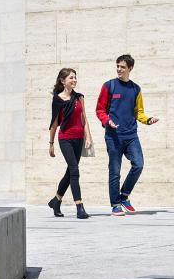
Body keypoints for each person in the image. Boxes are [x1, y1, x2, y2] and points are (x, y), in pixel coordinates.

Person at [95, 54, 159, 216]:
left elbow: (139, 112)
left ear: (130, 68)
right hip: (113, 136)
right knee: (115, 171)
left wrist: (148, 120)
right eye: (117, 66)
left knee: (138, 164)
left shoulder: (135, 89)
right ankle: (115, 204)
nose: (119, 69)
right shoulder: (108, 86)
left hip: (131, 136)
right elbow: (100, 110)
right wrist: (107, 121)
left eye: (123, 67)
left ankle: (124, 195)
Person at [47, 68, 93, 219]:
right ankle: (79, 206)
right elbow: (54, 123)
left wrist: (88, 137)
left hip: (79, 139)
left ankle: (56, 200)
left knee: (70, 172)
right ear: (63, 80)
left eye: (75, 77)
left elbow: (84, 119)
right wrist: (51, 143)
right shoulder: (57, 100)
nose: (74, 80)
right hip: (65, 138)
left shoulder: (79, 97)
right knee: (74, 170)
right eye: (71, 78)